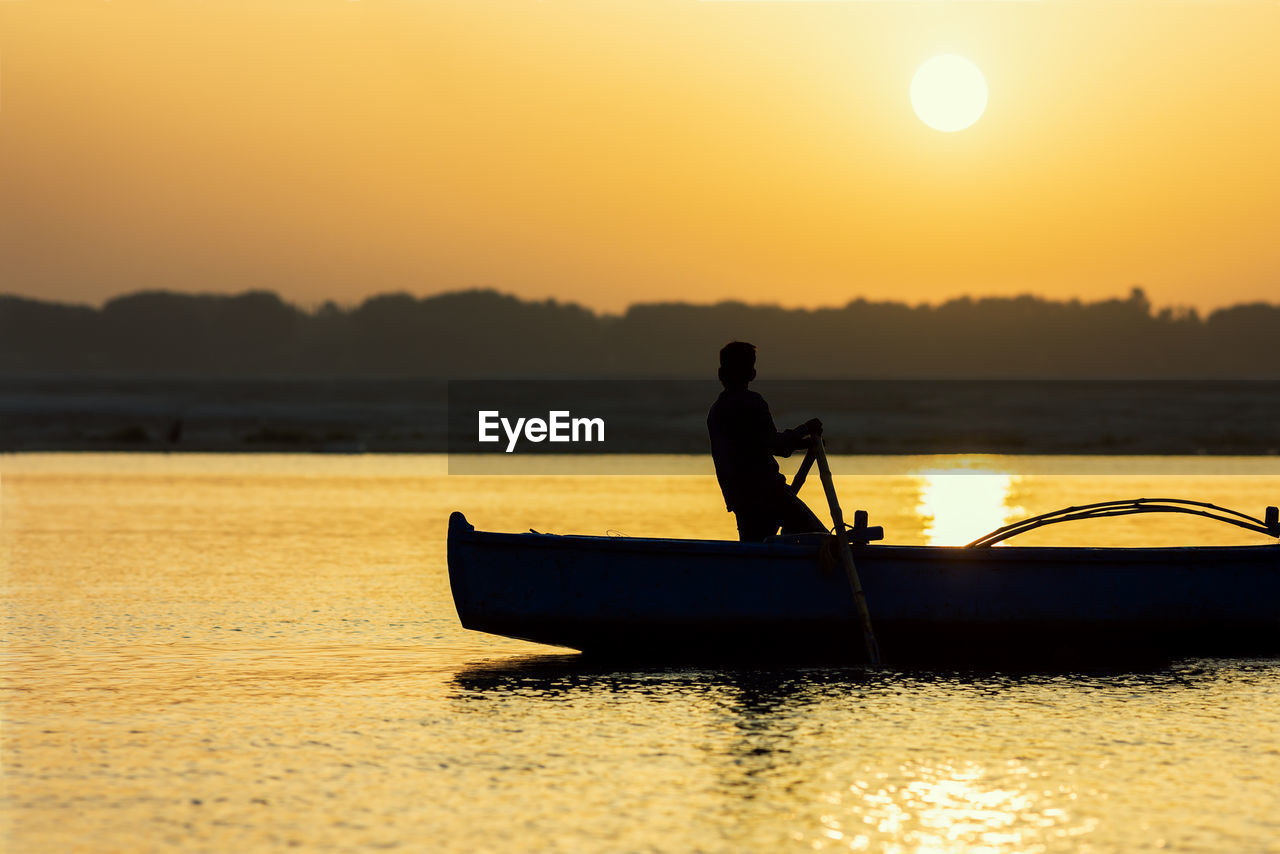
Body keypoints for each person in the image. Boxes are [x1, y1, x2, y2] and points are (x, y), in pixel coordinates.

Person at [707, 341, 827, 541]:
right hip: (769, 495)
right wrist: (805, 429)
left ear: (721, 373)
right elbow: (775, 445)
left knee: (754, 550)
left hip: (740, 500)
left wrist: (804, 443)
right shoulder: (752, 402)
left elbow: (756, 444)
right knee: (820, 540)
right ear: (752, 374)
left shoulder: (716, 411)